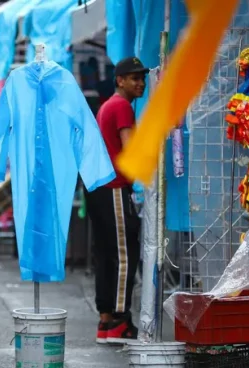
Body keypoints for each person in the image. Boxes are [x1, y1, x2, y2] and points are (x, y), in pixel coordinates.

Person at [87, 56, 147, 345]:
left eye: (142, 78)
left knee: (107, 254)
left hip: (100, 187)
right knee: (125, 253)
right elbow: (130, 150)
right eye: (134, 78)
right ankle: (121, 320)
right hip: (113, 187)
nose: (141, 83)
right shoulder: (121, 106)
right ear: (119, 80)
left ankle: (106, 318)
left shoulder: (108, 105)